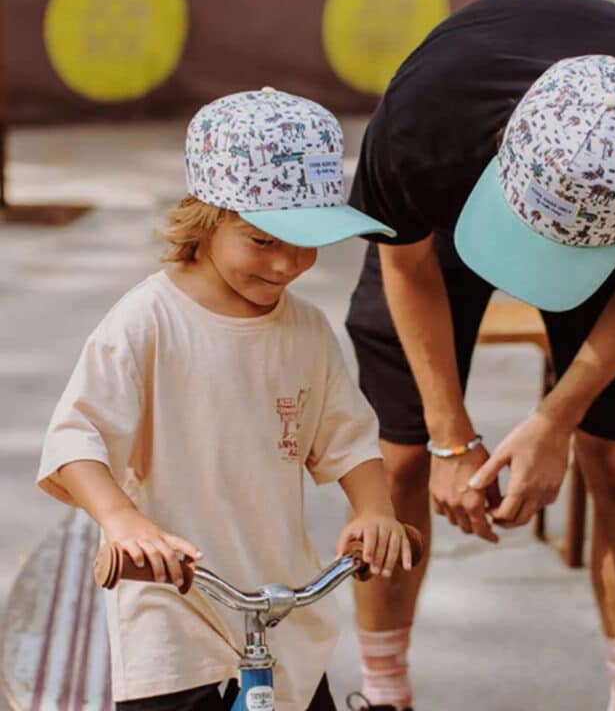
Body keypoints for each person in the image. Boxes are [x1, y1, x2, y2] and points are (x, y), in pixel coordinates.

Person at [344, 0, 615, 711]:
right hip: (449, 208)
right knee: (402, 459)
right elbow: (406, 264)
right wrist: (450, 438)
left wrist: (555, 420)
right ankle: (385, 697)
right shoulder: (429, 117)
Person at [37, 89, 416, 711]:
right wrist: (123, 523)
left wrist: (373, 509)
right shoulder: (148, 320)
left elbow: (347, 438)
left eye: (305, 240)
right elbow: (77, 439)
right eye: (263, 240)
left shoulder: (306, 331)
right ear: (205, 220)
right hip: (172, 600)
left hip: (281, 604)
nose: (287, 264)